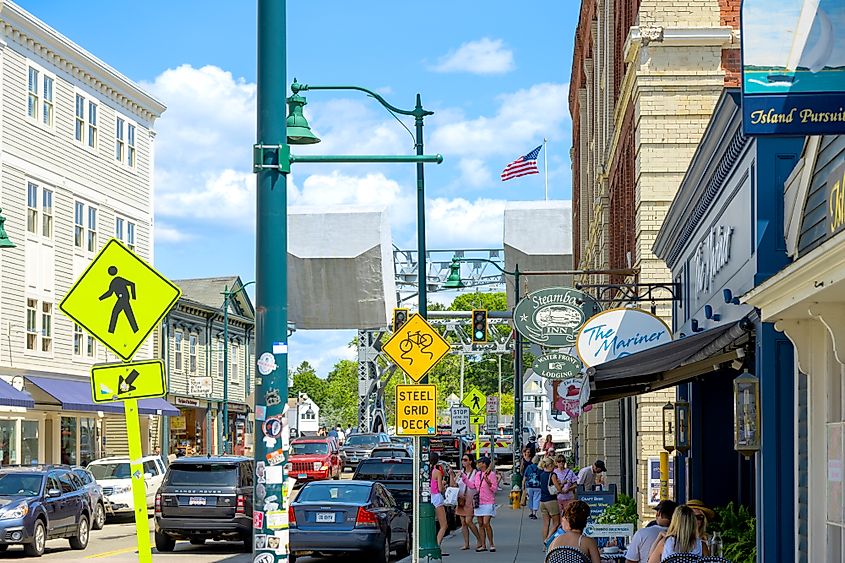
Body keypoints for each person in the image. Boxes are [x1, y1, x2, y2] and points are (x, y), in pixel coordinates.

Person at [456, 454, 482, 551]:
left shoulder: (476, 473)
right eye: (462, 460)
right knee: (463, 522)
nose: (463, 462)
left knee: (468, 521)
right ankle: (466, 543)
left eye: (465, 460)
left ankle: (479, 539)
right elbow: (455, 483)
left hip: (470, 499)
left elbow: (473, 486)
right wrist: (452, 475)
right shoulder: (461, 472)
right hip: (461, 499)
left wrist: (464, 478)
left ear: (470, 461)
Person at [430, 452, 452, 554]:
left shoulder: (424, 472)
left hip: (428, 497)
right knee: (443, 525)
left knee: (430, 523)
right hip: (437, 498)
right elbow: (439, 488)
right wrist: (443, 484)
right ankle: (437, 546)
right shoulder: (437, 472)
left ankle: (432, 544)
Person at [474, 456, 497, 552]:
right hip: (479, 501)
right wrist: (463, 478)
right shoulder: (478, 474)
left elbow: (494, 489)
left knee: (486, 523)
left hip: (488, 501)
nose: (478, 464)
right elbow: (474, 486)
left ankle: (491, 544)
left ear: (484, 464)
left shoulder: (491, 474)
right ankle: (483, 545)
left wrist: (488, 483)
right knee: (480, 524)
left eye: (479, 462)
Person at [538, 457, 562, 545]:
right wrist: (561, 484)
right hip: (551, 500)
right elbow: (558, 489)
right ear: (550, 465)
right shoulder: (552, 475)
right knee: (556, 523)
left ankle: (544, 545)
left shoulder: (542, 474)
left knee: (545, 524)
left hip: (542, 501)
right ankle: (548, 540)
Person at [522, 454, 542, 520]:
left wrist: (523, 486)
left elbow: (525, 477)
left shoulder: (529, 467)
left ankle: (531, 512)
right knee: (536, 499)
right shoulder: (540, 468)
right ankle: (534, 513)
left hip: (529, 486)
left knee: (530, 499)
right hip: (538, 486)